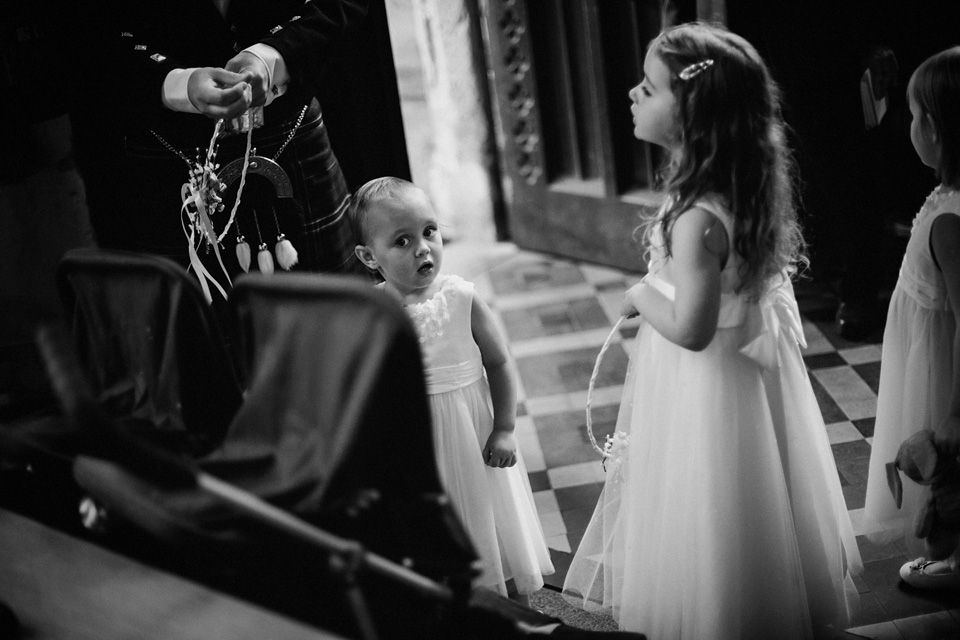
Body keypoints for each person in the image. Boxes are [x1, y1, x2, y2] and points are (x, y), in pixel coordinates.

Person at [562, 23, 862, 638]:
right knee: (753, 488)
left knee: (713, 500)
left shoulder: (697, 217)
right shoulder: (732, 190)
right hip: (742, 372)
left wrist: (642, 292)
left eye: (649, 87)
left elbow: (694, 330)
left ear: (691, 110)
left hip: (707, 376)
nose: (632, 94)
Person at [59, 0, 370, 301]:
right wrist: (178, 83)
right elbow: (86, 31)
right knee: (199, 340)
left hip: (293, 135)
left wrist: (272, 55)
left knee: (341, 327)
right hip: (166, 158)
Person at [350, 176, 554, 605]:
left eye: (429, 231)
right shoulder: (372, 311)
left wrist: (504, 427)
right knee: (436, 532)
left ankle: (516, 613)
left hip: (473, 433)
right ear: (370, 257)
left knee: (489, 521)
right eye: (402, 242)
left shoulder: (461, 297)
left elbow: (498, 363)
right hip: (416, 446)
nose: (424, 248)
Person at [862, 46, 960, 589]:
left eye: (917, 114)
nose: (909, 126)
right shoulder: (947, 199)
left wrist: (956, 411)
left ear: (942, 131)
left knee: (948, 467)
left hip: (942, 367)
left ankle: (954, 560)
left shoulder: (951, 219)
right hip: (932, 347)